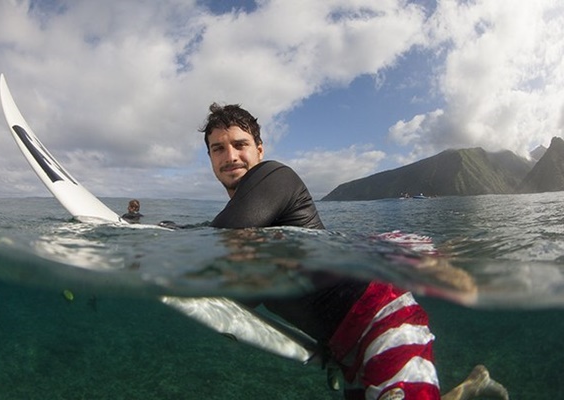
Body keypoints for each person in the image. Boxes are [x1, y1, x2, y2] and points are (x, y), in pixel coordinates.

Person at [200, 103, 508, 400]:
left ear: (259, 150)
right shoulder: (240, 219)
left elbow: (221, 247)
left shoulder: (275, 177)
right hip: (342, 348)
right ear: (211, 158)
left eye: (241, 144)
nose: (231, 156)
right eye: (218, 149)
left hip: (381, 316)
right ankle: (474, 383)